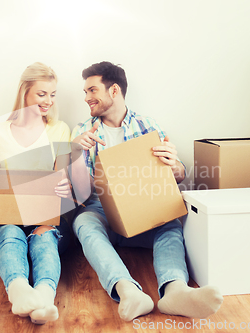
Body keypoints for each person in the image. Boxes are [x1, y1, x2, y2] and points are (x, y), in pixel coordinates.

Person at [69, 61, 223, 322]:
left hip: (141, 207)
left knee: (170, 224)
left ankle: (175, 290)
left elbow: (178, 175)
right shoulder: (83, 131)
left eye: (92, 90)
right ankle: (127, 290)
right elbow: (80, 194)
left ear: (114, 90)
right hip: (101, 210)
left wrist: (174, 164)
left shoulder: (147, 126)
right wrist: (75, 154)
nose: (86, 98)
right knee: (83, 222)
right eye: (85, 92)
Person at [0, 62, 72, 325]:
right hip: (4, 226)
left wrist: (66, 187)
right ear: (24, 92)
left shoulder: (59, 129)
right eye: (42, 94)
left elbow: (64, 181)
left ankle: (43, 299)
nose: (48, 101)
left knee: (45, 240)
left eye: (52, 94)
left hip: (43, 222)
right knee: (11, 232)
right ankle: (19, 293)